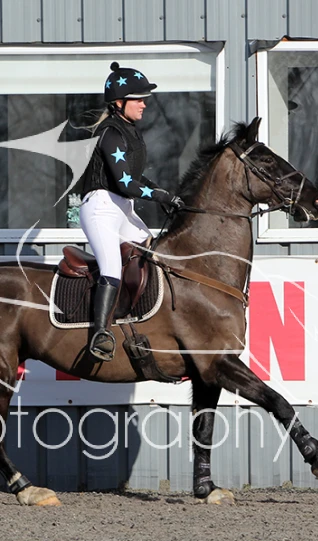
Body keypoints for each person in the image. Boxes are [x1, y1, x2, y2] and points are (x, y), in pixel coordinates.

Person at [79, 62, 185, 362]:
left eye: (143, 98)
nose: (144, 103)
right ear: (118, 103)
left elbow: (134, 178)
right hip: (100, 208)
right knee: (112, 268)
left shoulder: (130, 131)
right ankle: (100, 334)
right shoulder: (110, 133)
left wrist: (162, 192)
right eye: (137, 98)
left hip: (121, 207)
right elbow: (125, 183)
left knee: (151, 253)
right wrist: (160, 195)